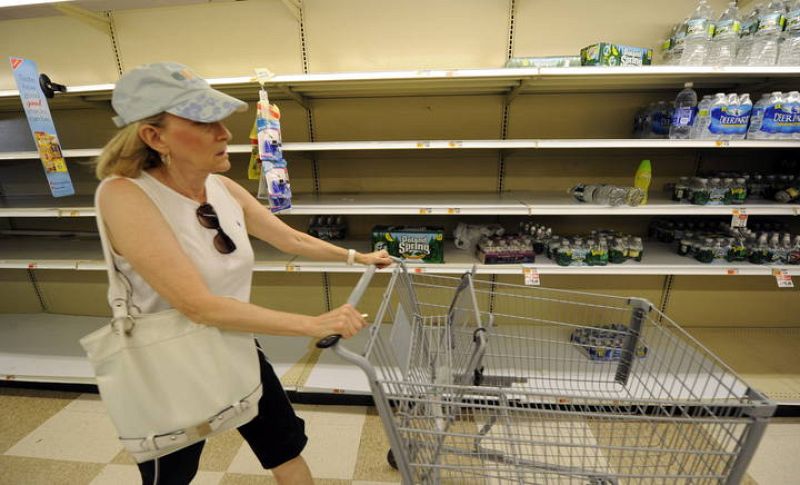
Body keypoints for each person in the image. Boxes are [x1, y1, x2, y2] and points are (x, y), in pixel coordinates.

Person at [93, 62, 392, 485]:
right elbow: (197, 306)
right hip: (169, 362)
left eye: (220, 120)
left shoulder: (222, 187)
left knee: (284, 445)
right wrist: (312, 322)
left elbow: (292, 241)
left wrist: (355, 257)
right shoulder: (125, 195)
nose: (225, 133)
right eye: (203, 122)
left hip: (234, 342)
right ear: (154, 136)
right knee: (172, 473)